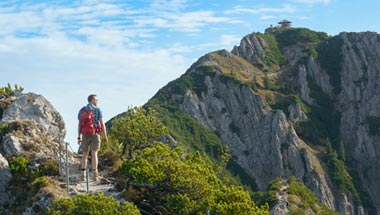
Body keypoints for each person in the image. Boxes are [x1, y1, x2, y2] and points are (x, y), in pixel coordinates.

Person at [77, 94, 108, 181]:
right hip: (95, 133)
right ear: (92, 100)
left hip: (85, 134)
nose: (97, 101)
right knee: (94, 154)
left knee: (85, 154)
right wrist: (105, 135)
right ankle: (95, 175)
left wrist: (78, 137)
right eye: (96, 100)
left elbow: (79, 124)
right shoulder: (97, 109)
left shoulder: (82, 110)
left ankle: (83, 175)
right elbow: (102, 124)